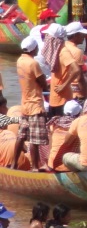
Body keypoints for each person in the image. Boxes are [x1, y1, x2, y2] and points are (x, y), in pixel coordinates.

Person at [13, 38, 47, 171]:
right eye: (37, 48)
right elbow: (43, 82)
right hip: (35, 105)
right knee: (35, 139)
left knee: (21, 136)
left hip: (25, 104)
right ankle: (35, 167)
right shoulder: (33, 63)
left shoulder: (19, 60)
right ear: (33, 49)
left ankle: (13, 164)